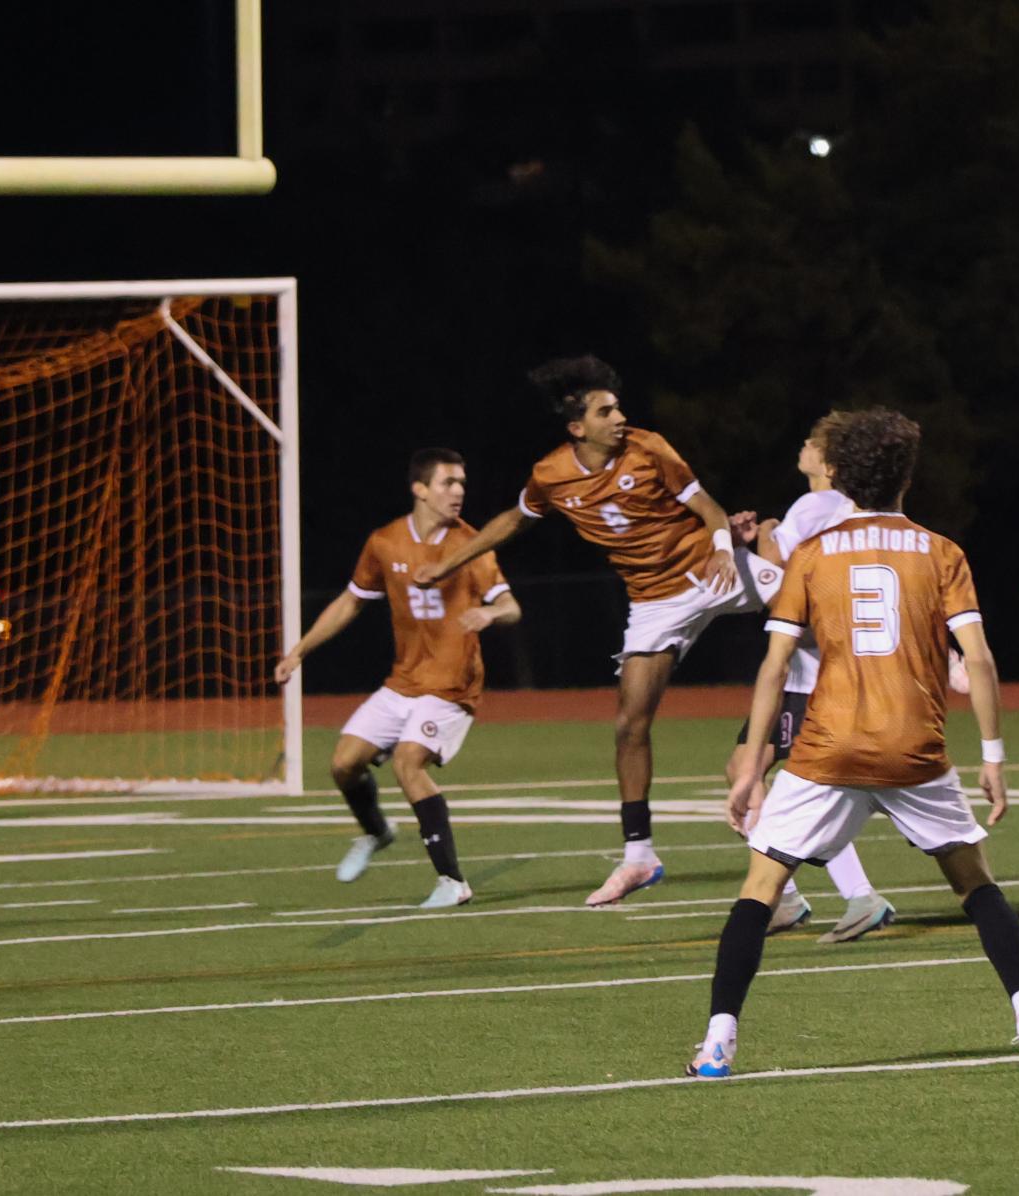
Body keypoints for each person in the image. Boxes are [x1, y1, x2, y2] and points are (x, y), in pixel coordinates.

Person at [690, 408, 1019, 1078]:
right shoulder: (942, 552)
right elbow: (976, 660)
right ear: (906, 475)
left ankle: (718, 1042)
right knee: (976, 886)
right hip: (913, 750)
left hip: (827, 749)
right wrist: (995, 758)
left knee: (760, 890)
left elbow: (775, 666)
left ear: (837, 476)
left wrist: (749, 766)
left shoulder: (808, 555)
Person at [414, 356, 777, 906]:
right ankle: (639, 857)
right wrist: (447, 564)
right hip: (654, 603)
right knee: (629, 723)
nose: (620, 417)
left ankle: (934, 651)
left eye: (618, 407)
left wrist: (728, 547)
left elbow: (708, 506)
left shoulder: (649, 447)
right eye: (606, 411)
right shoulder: (551, 475)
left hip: (710, 569)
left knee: (807, 590)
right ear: (577, 427)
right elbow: (513, 520)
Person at [275, 448, 520, 909]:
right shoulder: (386, 542)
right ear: (420, 489)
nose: (459, 491)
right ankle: (377, 832)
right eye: (449, 482)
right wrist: (300, 651)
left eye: (463, 483)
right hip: (403, 683)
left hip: (451, 688)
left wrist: (490, 613)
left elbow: (511, 606)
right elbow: (350, 602)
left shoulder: (471, 545)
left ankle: (453, 882)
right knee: (343, 764)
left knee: (409, 763)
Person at [724, 414, 897, 944]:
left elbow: (777, 588)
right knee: (745, 768)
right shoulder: (859, 512)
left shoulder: (815, 506)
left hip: (812, 675)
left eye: (812, 442)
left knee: (800, 789)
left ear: (830, 461)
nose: (802, 445)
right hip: (829, 669)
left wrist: (762, 542)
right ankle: (792, 899)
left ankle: (857, 896)